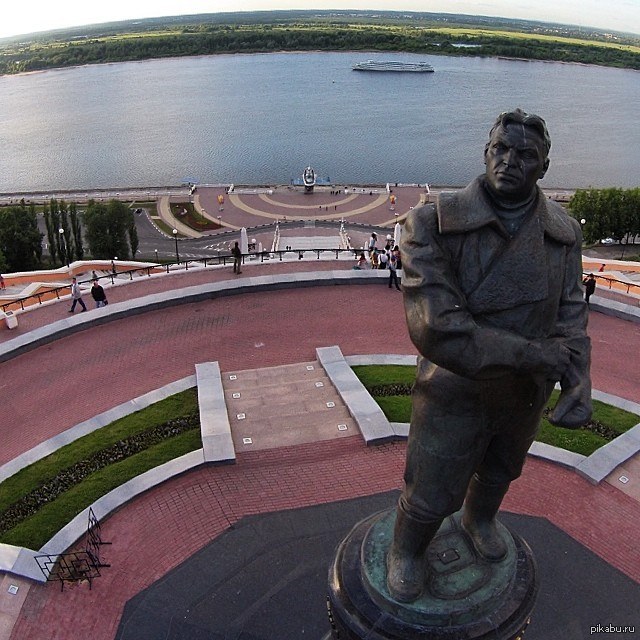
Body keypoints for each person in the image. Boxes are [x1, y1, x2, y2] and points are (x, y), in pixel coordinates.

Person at [387, 109, 592, 603]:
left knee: (501, 471)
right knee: (431, 491)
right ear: (485, 153)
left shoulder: (562, 233)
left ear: (543, 167)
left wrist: (578, 380)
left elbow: (570, 315)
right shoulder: (430, 224)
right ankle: (406, 551)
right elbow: (436, 327)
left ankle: (480, 520)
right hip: (455, 389)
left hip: (523, 393)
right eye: (500, 149)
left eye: (525, 155)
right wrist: (535, 356)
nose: (509, 161)